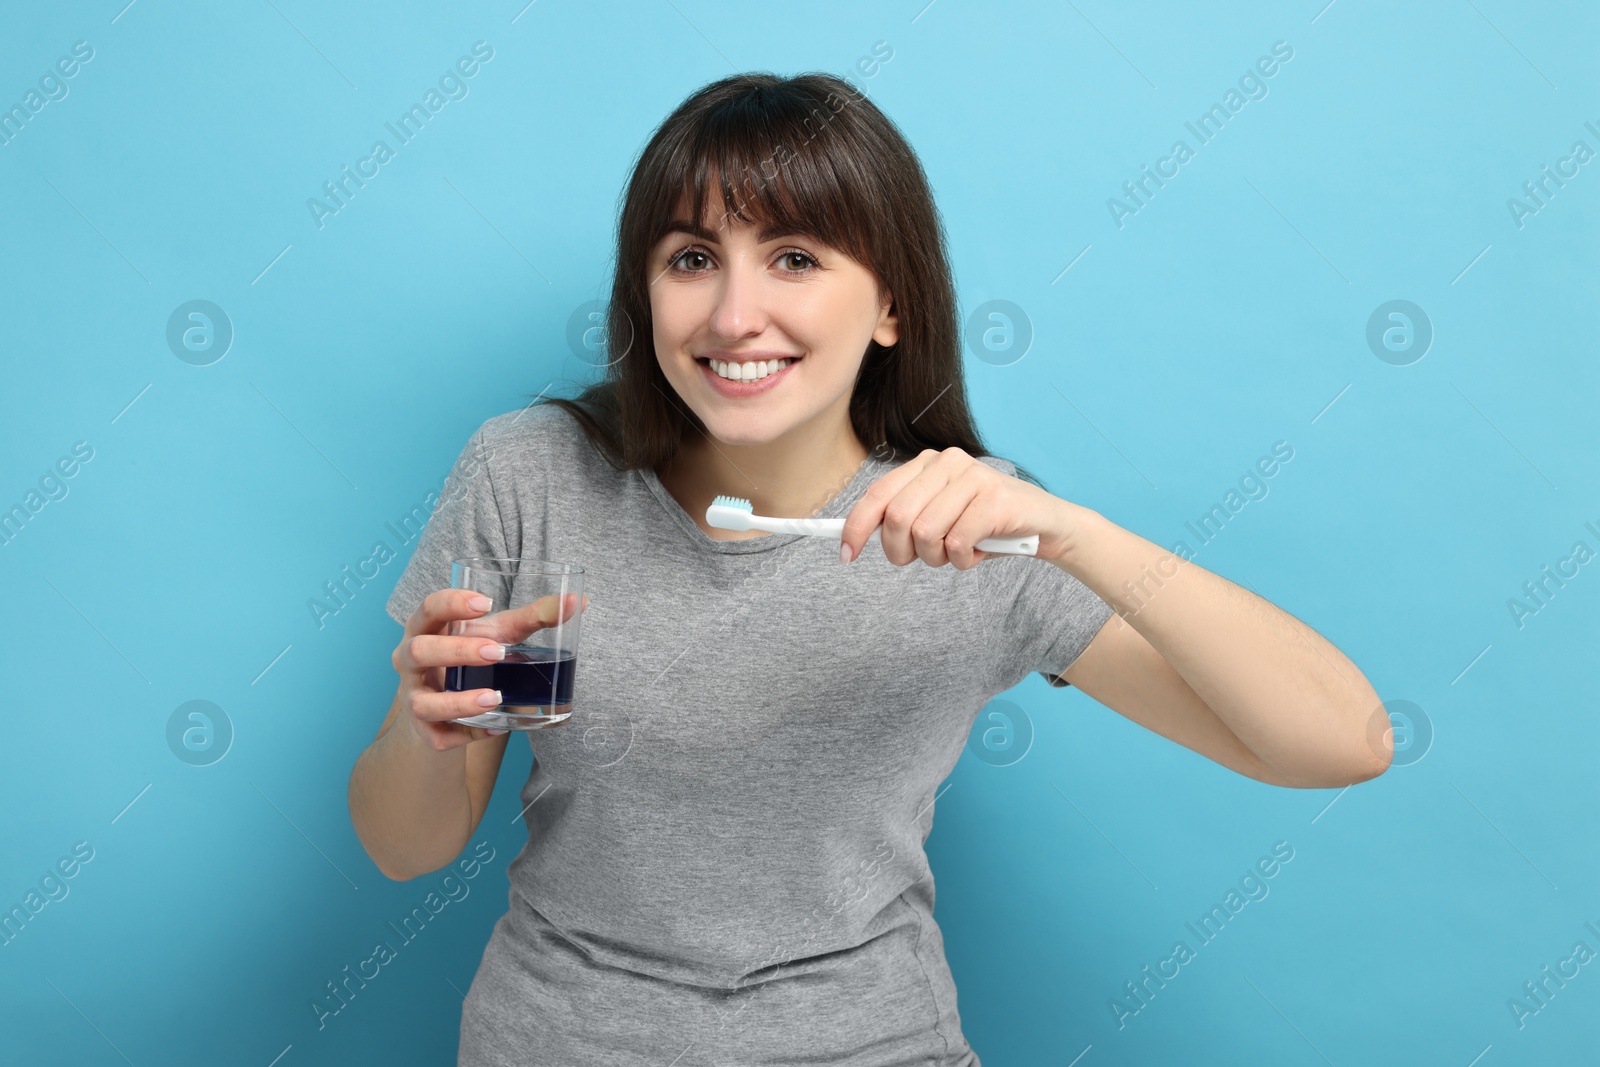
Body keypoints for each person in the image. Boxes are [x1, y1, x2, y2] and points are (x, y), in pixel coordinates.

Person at [348, 71, 1390, 1065]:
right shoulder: (533, 475)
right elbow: (407, 848)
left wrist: (1077, 534)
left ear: (890, 305)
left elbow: (1340, 742)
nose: (731, 315)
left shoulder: (972, 531)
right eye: (690, 258)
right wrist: (427, 723)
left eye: (795, 257)